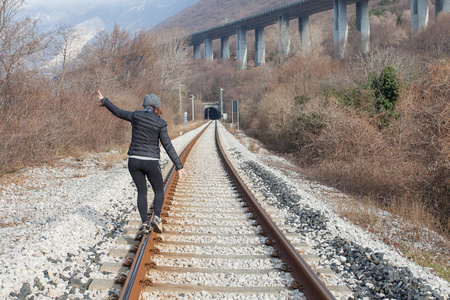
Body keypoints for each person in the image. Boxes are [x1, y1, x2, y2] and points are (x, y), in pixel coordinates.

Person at [97, 90, 186, 234]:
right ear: (157, 107)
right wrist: (179, 166)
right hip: (151, 161)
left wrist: (105, 100)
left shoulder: (136, 116)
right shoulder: (160, 123)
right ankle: (156, 217)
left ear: (144, 106)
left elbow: (118, 112)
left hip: (134, 161)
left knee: (142, 191)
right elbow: (167, 145)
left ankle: (145, 223)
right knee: (158, 190)